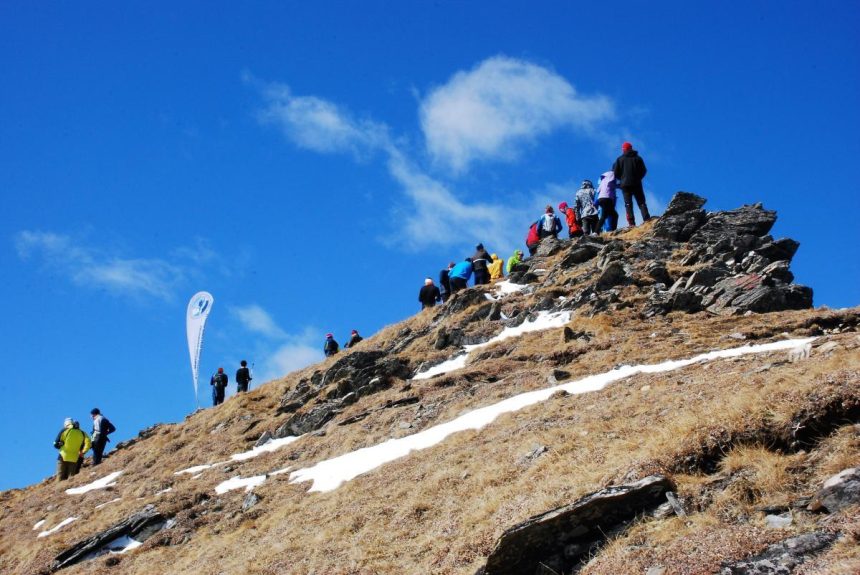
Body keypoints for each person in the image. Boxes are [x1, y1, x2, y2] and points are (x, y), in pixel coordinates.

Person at [613, 141, 651, 227]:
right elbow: (644, 171)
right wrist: (638, 177)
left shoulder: (619, 159)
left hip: (625, 185)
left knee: (628, 204)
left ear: (623, 149)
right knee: (641, 202)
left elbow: (615, 173)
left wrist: (622, 178)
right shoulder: (638, 158)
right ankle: (647, 219)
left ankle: (631, 223)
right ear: (631, 148)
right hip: (636, 183)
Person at [54, 417, 91, 482]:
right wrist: (83, 452)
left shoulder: (64, 430)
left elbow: (55, 443)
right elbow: (88, 443)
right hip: (74, 457)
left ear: (65, 424)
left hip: (63, 455)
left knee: (60, 477)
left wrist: (60, 444)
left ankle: (59, 490)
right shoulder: (82, 433)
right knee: (71, 478)